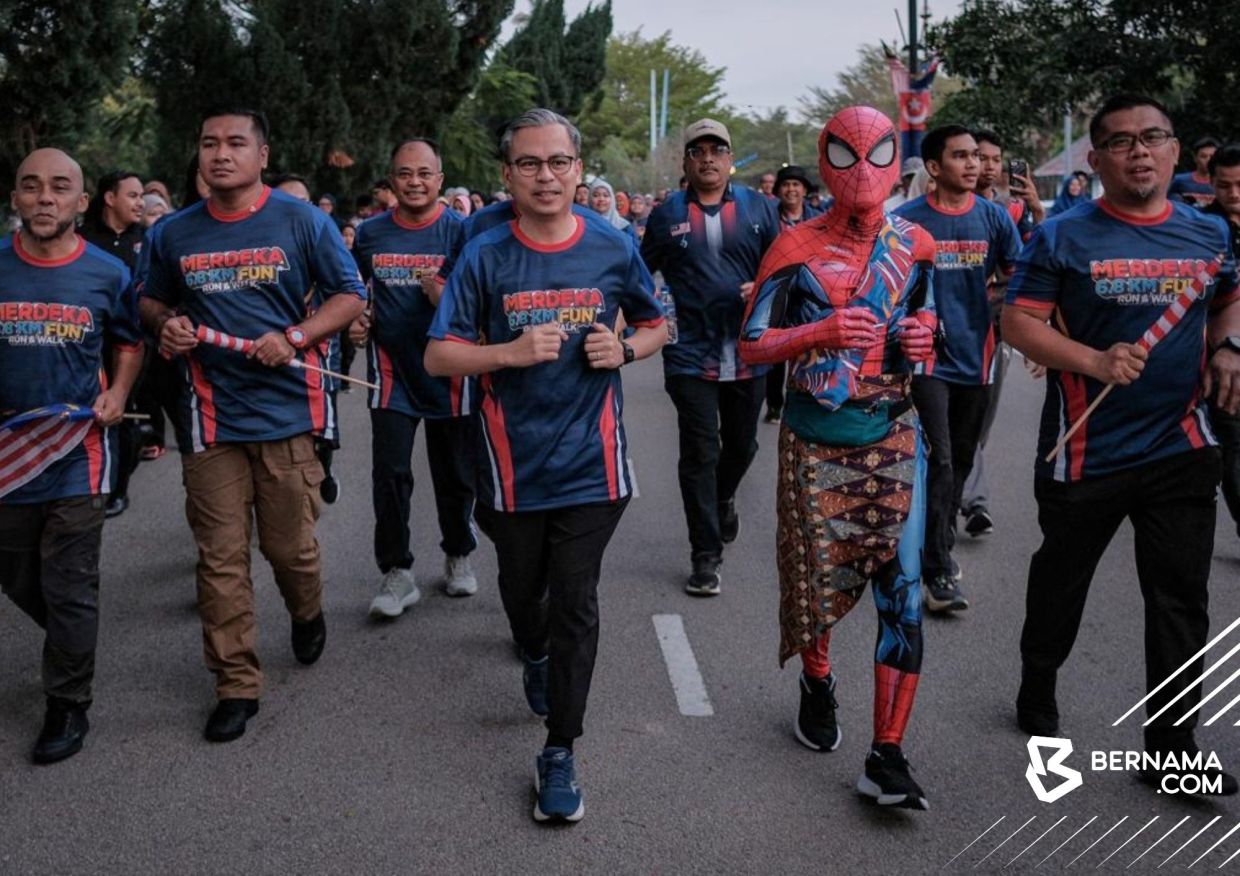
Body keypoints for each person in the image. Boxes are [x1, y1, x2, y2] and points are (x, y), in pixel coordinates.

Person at [424, 108, 666, 823]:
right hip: (510, 467)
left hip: (594, 466)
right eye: (529, 163)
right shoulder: (485, 254)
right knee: (522, 591)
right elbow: (439, 356)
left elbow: (656, 323)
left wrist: (624, 350)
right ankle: (532, 651)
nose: (546, 175)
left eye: (559, 162)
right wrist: (508, 352)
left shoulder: (613, 245)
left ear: (578, 169)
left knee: (576, 603)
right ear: (508, 175)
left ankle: (560, 748)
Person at [1002, 94, 1240, 793]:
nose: (1140, 150)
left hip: (1181, 445)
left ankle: (1172, 750)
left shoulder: (1208, 233)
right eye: (1122, 141)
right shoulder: (1062, 236)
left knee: (1179, 600)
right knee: (1060, 583)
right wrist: (1095, 361)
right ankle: (1038, 677)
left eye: (1154, 137)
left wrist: (1229, 347)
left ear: (1175, 151)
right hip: (1086, 449)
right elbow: (1019, 323)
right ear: (1097, 158)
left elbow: (1229, 296)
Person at [137, 107, 366, 743]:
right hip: (210, 418)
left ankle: (306, 610)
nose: (220, 154)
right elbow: (149, 299)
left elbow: (350, 296)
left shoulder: (302, 220)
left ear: (261, 155)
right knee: (220, 558)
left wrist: (294, 337)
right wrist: (166, 325)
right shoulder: (174, 232)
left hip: (288, 415)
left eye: (235, 143)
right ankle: (235, 684)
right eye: (209, 143)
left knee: (290, 550)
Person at [740, 106, 937, 810]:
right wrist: (819, 330)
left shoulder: (915, 244)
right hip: (816, 436)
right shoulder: (793, 246)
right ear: (828, 159)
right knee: (816, 585)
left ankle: (888, 754)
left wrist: (923, 338)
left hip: (894, 429)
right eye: (848, 156)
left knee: (904, 594)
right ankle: (817, 679)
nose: (863, 172)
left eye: (877, 155)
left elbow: (925, 318)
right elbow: (751, 344)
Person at [0, 148, 143, 763]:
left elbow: (129, 343)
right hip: (8, 455)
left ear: (81, 203)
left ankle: (67, 703)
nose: (44, 197)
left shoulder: (108, 273)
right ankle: (70, 637)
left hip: (77, 453)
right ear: (15, 198)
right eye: (31, 186)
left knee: (70, 583)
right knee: (16, 575)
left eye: (59, 187)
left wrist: (118, 392)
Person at [641, 118, 780, 596]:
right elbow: (641, 274)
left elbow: (784, 268)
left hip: (748, 351)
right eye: (697, 151)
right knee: (700, 453)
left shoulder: (759, 207)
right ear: (686, 162)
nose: (707, 159)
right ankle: (705, 553)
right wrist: (645, 320)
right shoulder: (666, 214)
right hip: (689, 354)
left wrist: (762, 288)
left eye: (716, 151)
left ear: (730, 159)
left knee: (742, 446)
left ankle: (723, 498)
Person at [350, 137, 479, 617]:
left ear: (440, 181)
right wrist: (358, 317)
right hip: (391, 374)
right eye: (405, 174)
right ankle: (396, 571)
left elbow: (481, 300)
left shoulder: (462, 232)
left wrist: (444, 297)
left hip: (452, 374)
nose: (415, 182)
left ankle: (458, 552)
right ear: (392, 181)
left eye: (425, 173)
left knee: (455, 475)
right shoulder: (370, 234)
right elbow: (351, 290)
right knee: (390, 474)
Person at [894, 125, 1021, 614]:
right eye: (961, 156)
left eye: (976, 156)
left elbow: (1019, 276)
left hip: (977, 356)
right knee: (941, 460)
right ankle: (938, 570)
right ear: (933, 166)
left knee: (963, 459)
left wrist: (1009, 312)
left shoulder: (993, 218)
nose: (974, 164)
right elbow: (885, 285)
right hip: (925, 360)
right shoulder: (906, 221)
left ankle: (937, 538)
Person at [958, 129, 1045, 537]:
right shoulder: (946, 209)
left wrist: (1037, 212)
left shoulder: (1013, 210)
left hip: (997, 328)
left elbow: (1037, 265)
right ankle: (972, 500)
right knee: (961, 415)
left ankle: (957, 484)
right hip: (953, 332)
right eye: (980, 157)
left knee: (981, 420)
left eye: (996, 159)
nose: (989, 166)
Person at [273, 172, 346, 502]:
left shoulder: (323, 241)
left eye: (302, 203)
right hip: (272, 358)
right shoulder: (259, 250)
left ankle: (324, 469)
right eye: (285, 203)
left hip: (320, 355)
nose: (295, 210)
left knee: (322, 425)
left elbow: (349, 295)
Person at [81, 170, 146, 519]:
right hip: (86, 344)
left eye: (142, 196)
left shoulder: (148, 242)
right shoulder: (82, 239)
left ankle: (118, 489)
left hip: (131, 345)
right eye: (133, 195)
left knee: (123, 413)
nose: (141, 203)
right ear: (109, 198)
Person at [762, 164, 825, 425]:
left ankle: (804, 402)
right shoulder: (767, 219)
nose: (791, 190)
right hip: (775, 293)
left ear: (805, 190)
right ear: (779, 190)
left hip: (809, 295)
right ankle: (774, 404)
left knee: (807, 350)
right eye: (786, 185)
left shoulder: (820, 220)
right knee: (776, 353)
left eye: (796, 185)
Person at [1207, 143, 1240, 538]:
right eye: (1225, 185)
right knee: (1233, 443)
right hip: (1222, 355)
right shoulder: (1203, 230)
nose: (1233, 193)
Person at [1169, 136, 1219, 208]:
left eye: (1212, 156)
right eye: (1203, 156)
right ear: (1195, 158)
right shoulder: (1179, 181)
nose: (1208, 160)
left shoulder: (1223, 183)